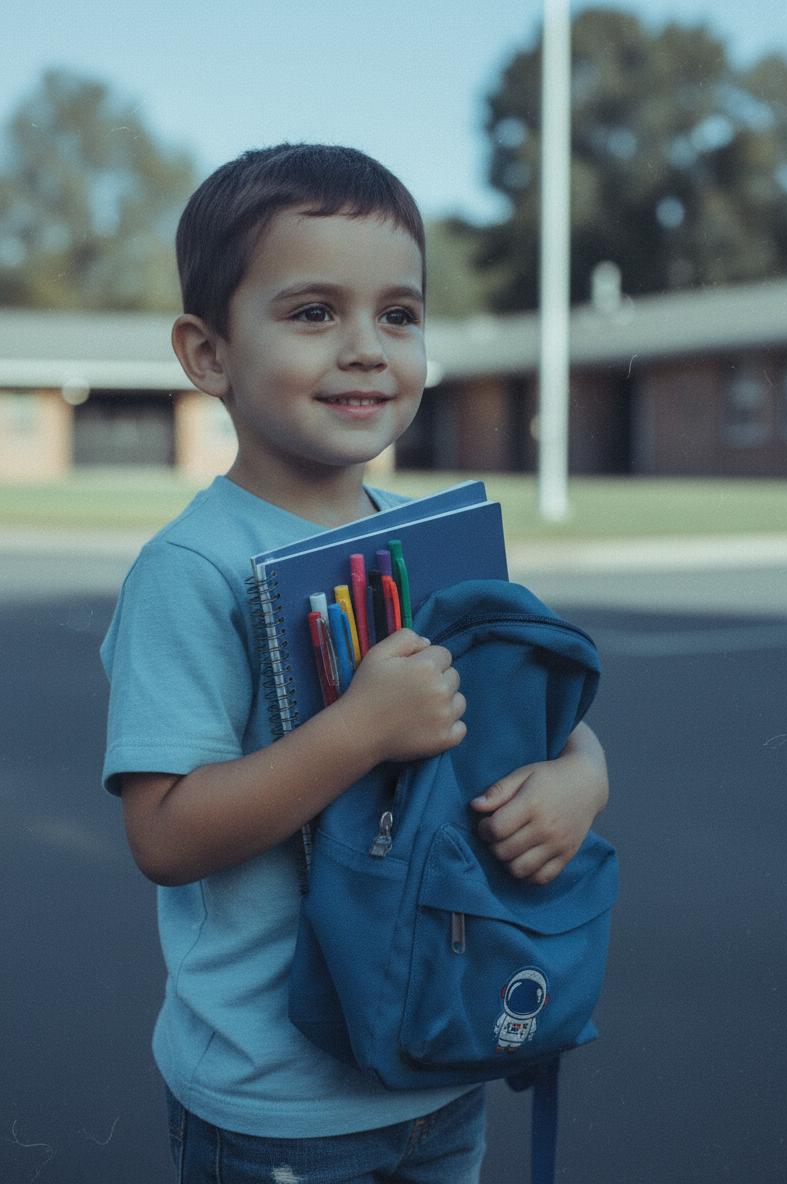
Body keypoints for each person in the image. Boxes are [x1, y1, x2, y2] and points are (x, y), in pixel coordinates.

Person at [101, 142, 610, 1184]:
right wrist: (359, 729)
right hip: (274, 1099)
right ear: (207, 354)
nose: (368, 348)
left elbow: (532, 717)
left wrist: (580, 777)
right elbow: (163, 831)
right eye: (313, 312)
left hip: (440, 1048)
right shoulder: (192, 571)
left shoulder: (434, 536)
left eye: (400, 314)